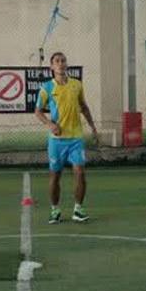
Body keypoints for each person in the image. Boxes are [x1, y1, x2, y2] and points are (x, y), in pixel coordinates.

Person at [34, 52, 99, 224]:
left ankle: (78, 209)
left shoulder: (77, 85)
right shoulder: (46, 87)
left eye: (63, 61)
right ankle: (55, 210)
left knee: (80, 173)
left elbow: (84, 107)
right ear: (52, 67)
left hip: (76, 138)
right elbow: (38, 111)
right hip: (57, 141)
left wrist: (93, 128)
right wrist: (49, 124)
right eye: (57, 61)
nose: (61, 64)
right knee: (55, 176)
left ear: (66, 65)